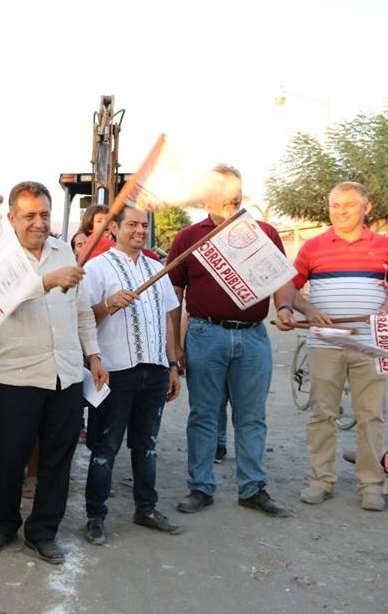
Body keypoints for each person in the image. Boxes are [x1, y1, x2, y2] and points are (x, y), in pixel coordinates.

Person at [0, 181, 108, 565]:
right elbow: (0, 302)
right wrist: (46, 281)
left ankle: (43, 531)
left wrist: (94, 355)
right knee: (7, 456)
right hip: (15, 376)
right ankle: (3, 524)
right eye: (30, 215)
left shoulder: (63, 250)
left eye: (45, 215)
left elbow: (82, 310)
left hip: (65, 373)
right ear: (12, 218)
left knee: (57, 458)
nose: (38, 223)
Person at [278, 181, 388, 512]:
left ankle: (370, 483)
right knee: (322, 413)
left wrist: (385, 310)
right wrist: (306, 310)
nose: (340, 211)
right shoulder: (313, 247)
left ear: (366, 208)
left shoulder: (384, 246)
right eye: (335, 205)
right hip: (325, 344)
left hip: (370, 345)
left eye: (348, 205)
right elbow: (289, 288)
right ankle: (321, 480)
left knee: (371, 415)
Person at [168, 165, 290, 518]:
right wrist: (176, 346)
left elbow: (283, 278)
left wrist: (283, 307)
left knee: (252, 417)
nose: (233, 200)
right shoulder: (189, 238)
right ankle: (200, 487)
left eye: (237, 193)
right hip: (206, 335)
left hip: (253, 337)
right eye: (225, 193)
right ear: (209, 196)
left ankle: (253, 488)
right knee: (204, 414)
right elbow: (173, 299)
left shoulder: (262, 232)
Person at [81, 204, 182, 544]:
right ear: (114, 229)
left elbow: (168, 319)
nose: (140, 230)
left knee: (147, 445)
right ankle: (95, 516)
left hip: (153, 371)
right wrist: (107, 305)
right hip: (115, 372)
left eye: (144, 225)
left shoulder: (158, 268)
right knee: (105, 446)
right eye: (132, 224)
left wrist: (172, 364)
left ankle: (146, 509)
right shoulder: (96, 268)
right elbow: (83, 320)